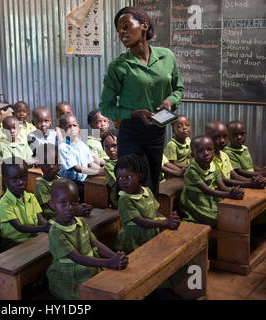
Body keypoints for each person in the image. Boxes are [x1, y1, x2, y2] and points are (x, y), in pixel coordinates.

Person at [99, 7, 184, 197]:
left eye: (127, 26)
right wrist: (133, 113)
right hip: (132, 132)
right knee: (132, 181)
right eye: (119, 29)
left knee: (153, 178)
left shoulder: (166, 57)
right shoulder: (118, 66)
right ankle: (131, 223)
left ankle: (150, 221)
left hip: (157, 129)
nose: (122, 32)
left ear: (144, 26)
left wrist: (170, 101)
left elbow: (178, 89)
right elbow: (106, 107)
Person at [46, 178, 128, 300]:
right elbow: (78, 258)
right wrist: (109, 263)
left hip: (90, 267)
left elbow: (95, 243)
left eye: (74, 203)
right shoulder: (56, 232)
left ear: (79, 202)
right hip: (72, 277)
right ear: (52, 205)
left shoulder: (80, 222)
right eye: (63, 203)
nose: (69, 207)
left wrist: (116, 258)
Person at [113, 154, 181, 254]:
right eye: (119, 178)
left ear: (140, 176)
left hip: (150, 233)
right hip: (134, 239)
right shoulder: (125, 199)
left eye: (128, 177)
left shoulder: (147, 191)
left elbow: (155, 213)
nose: (123, 182)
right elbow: (141, 222)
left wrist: (169, 221)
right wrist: (166, 223)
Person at [179, 136, 244, 228]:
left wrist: (233, 191)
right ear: (193, 155)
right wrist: (229, 194)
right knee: (218, 217)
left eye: (209, 149)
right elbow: (207, 191)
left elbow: (222, 187)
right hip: (196, 201)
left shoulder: (213, 165)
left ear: (214, 151)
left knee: (233, 209)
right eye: (200, 151)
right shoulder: (192, 171)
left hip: (211, 197)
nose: (206, 153)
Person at [0, 158, 50, 250]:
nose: (20, 182)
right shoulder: (5, 203)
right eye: (14, 180)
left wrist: (51, 227)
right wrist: (43, 228)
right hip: (13, 243)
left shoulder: (31, 197)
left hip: (31, 238)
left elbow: (40, 219)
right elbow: (20, 227)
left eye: (24, 178)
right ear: (5, 181)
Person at [34, 144, 92, 220]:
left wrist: (78, 206)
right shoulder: (41, 185)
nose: (51, 166)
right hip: (52, 219)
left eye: (54, 162)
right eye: (46, 163)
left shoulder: (61, 181)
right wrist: (74, 211)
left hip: (66, 213)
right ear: (39, 165)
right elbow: (50, 209)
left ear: (59, 163)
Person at [205, 121, 266, 189]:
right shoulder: (208, 158)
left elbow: (235, 176)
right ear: (207, 138)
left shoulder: (224, 155)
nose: (222, 141)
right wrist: (250, 183)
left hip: (228, 189)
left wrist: (252, 181)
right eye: (216, 137)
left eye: (225, 137)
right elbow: (224, 180)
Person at [58, 114, 104, 202]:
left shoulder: (82, 145)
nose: (72, 129)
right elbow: (77, 168)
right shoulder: (63, 147)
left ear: (78, 126)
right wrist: (98, 171)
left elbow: (90, 163)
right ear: (61, 129)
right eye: (68, 127)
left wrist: (102, 170)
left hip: (84, 181)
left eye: (75, 125)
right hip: (70, 184)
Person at [101, 129, 118, 207]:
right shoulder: (108, 165)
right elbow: (121, 184)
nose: (111, 150)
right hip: (119, 199)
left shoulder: (127, 159)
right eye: (107, 147)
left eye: (114, 145)